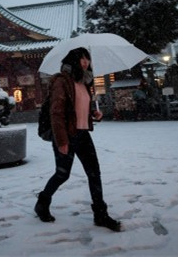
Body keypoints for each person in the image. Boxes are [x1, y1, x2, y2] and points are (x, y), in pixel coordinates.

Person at [34, 47, 121, 232]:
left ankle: (100, 214)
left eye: (87, 58)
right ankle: (42, 202)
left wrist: (93, 114)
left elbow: (78, 109)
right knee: (62, 174)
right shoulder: (62, 81)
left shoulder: (84, 82)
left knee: (94, 173)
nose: (85, 62)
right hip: (66, 134)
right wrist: (62, 141)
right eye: (81, 58)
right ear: (73, 60)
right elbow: (56, 113)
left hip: (83, 134)